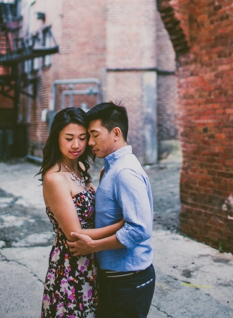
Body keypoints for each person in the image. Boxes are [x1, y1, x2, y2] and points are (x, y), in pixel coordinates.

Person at [67, 102, 155, 318]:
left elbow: (139, 229)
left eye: (95, 134)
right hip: (118, 278)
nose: (90, 142)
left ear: (116, 133)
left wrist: (93, 246)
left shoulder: (124, 172)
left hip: (127, 280)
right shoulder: (112, 168)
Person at [39, 107, 125, 318]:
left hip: (93, 260)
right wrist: (123, 226)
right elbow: (74, 234)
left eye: (82, 138)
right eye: (69, 138)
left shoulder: (81, 169)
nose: (76, 145)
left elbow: (91, 210)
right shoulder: (55, 179)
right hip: (71, 265)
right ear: (57, 138)